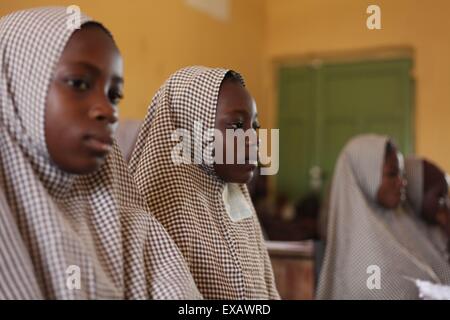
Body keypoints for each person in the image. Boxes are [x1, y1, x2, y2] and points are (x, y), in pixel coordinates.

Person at [0, 7, 201, 299]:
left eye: (114, 96)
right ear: (16, 85)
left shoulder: (128, 223)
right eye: (79, 84)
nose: (108, 111)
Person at [129, 66, 280, 299]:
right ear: (191, 130)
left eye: (255, 126)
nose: (254, 140)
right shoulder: (157, 219)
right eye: (237, 126)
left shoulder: (238, 207)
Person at [316, 134, 450, 299]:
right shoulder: (361, 251)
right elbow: (389, 290)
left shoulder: (398, 223)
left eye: (402, 175)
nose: (402, 183)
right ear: (366, 177)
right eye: (392, 174)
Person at [405, 157, 450, 263]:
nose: (445, 203)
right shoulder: (412, 242)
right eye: (439, 195)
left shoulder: (438, 226)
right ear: (417, 195)